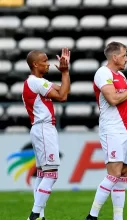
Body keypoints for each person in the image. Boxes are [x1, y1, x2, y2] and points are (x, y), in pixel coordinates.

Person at [85, 42, 127, 220]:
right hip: (111, 128)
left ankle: (118, 217)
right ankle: (92, 215)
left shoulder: (121, 76)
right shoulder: (103, 73)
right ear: (115, 57)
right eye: (125, 55)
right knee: (114, 173)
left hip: (124, 129)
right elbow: (112, 99)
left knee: (123, 173)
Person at [23, 48, 71, 220]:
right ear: (35, 64)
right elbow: (63, 96)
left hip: (39, 128)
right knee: (51, 174)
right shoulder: (37, 82)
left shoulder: (35, 83)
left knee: (43, 173)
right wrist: (65, 72)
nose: (48, 63)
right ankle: (34, 215)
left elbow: (64, 91)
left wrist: (65, 74)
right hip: (44, 128)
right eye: (44, 61)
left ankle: (40, 215)